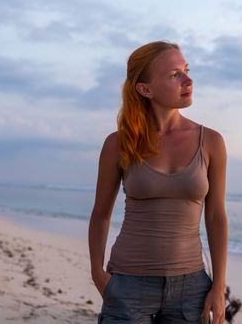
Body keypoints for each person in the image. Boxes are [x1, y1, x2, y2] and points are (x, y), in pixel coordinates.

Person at [88, 41, 228, 324]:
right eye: (174, 74)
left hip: (191, 289)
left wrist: (218, 286)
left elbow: (215, 217)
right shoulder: (118, 144)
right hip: (127, 285)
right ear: (145, 89)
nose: (188, 80)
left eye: (186, 70)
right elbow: (101, 214)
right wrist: (98, 275)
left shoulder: (211, 141)